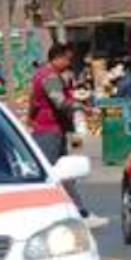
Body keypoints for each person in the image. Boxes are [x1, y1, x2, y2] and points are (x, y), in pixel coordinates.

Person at [29, 44, 101, 225]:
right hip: (49, 131)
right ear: (57, 58)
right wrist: (82, 107)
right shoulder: (49, 77)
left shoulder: (43, 74)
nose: (69, 63)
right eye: (67, 59)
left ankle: (75, 212)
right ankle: (77, 213)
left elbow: (33, 103)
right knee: (55, 174)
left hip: (50, 130)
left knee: (63, 173)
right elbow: (60, 102)